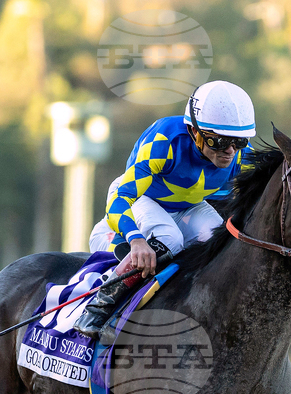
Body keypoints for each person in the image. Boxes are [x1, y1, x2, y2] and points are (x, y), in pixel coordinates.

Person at [73, 80, 256, 339]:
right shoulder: (164, 141)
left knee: (220, 243)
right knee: (170, 238)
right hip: (140, 198)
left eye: (239, 141)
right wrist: (136, 240)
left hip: (186, 207)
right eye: (219, 141)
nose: (229, 151)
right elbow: (119, 199)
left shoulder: (239, 155)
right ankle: (97, 308)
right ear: (194, 131)